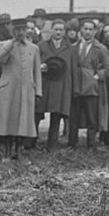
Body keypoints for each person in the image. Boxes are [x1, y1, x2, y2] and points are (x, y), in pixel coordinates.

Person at [0, 18, 43, 160]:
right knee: (8, 119)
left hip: (26, 88)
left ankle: (19, 150)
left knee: (23, 120)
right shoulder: (4, 45)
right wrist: (12, 42)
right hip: (9, 88)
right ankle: (7, 150)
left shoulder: (34, 48)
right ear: (12, 31)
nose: (20, 33)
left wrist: (38, 91)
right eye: (17, 30)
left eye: (23, 30)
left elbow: (37, 72)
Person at [69, 19, 109, 149]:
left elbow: (108, 67)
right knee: (74, 117)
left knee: (92, 117)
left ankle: (91, 144)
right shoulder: (73, 47)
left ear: (95, 31)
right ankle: (72, 143)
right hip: (75, 86)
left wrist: (97, 76)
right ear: (81, 30)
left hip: (91, 88)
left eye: (90, 29)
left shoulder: (100, 48)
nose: (87, 32)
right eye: (85, 29)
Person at [38, 19, 73, 150]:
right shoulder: (42, 46)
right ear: (51, 30)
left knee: (56, 115)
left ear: (64, 32)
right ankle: (30, 143)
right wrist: (39, 67)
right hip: (45, 83)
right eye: (56, 29)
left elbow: (72, 68)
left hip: (61, 85)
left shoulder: (70, 48)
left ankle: (52, 144)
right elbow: (34, 62)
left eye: (61, 30)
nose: (58, 32)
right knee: (37, 112)